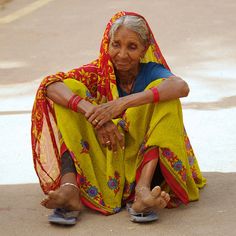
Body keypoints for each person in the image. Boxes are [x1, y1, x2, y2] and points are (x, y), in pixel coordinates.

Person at [31, 11, 206, 224]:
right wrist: (95, 115)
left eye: (132, 47)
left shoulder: (151, 71)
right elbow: (50, 85)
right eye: (116, 45)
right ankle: (71, 189)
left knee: (166, 99)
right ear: (108, 44)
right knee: (70, 89)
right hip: (105, 154)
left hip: (140, 162)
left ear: (144, 50)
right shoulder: (98, 72)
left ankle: (143, 191)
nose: (122, 54)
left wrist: (121, 103)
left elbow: (181, 87)